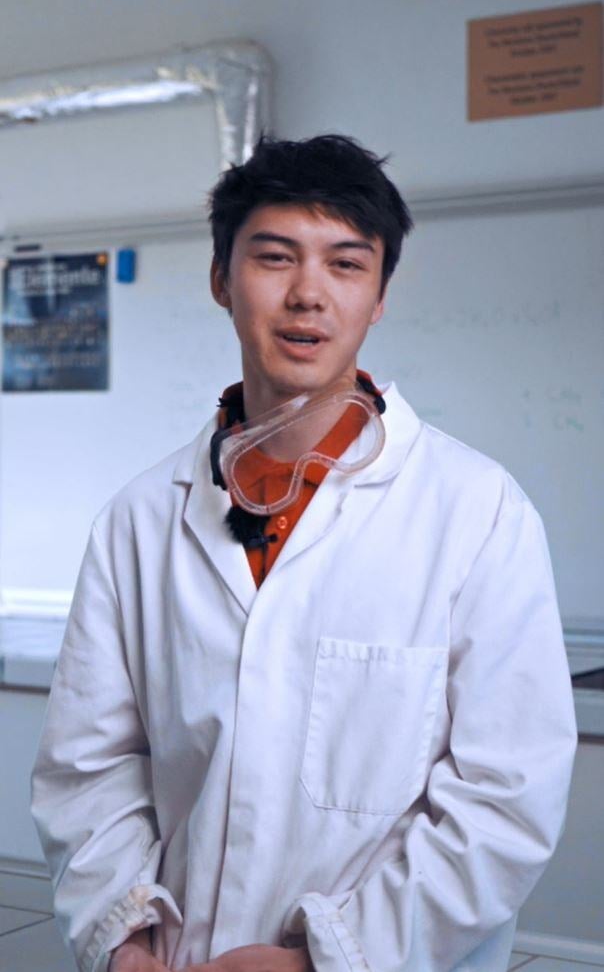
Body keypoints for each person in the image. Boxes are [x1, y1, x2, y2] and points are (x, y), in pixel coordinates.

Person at [31, 134, 577, 972]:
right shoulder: (140, 521)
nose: (308, 295)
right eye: (275, 257)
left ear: (380, 295)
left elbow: (504, 797)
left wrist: (327, 957)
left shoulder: (478, 512)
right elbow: (89, 766)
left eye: (347, 264)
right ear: (221, 278)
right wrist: (122, 939)